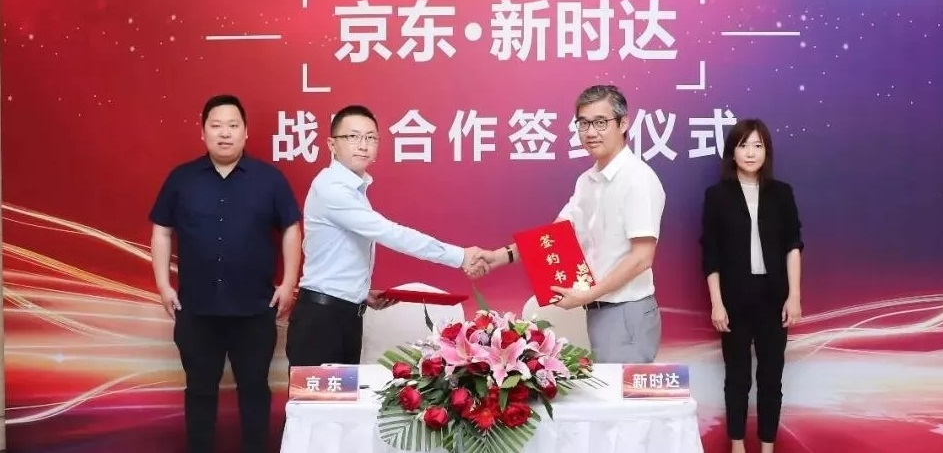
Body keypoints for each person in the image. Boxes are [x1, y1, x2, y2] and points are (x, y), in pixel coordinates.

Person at [149, 94, 302, 453]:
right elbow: (161, 231)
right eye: (216, 126)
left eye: (233, 125)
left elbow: (291, 229)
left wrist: (289, 282)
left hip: (254, 310)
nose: (224, 133)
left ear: (246, 132)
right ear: (202, 132)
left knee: (255, 391)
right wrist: (163, 284)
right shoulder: (182, 179)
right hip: (196, 310)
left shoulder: (269, 180)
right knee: (199, 391)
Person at [284, 104, 493, 367]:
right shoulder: (332, 188)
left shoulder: (353, 187)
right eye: (353, 137)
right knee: (317, 395)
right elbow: (391, 234)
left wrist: (360, 293)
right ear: (331, 144)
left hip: (344, 315)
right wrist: (460, 257)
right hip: (321, 323)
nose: (363, 145)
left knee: (343, 395)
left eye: (371, 137)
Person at [483, 84, 665, 363]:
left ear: (623, 123)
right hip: (600, 309)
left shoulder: (638, 179)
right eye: (583, 123)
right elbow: (555, 235)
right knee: (606, 388)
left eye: (600, 122)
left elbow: (642, 258)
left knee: (620, 391)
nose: (590, 132)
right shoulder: (587, 181)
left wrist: (587, 295)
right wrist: (499, 256)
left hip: (626, 312)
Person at [699, 118, 803, 453]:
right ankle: (738, 446)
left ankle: (768, 447)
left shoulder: (782, 193)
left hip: (774, 299)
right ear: (732, 151)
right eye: (743, 145)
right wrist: (717, 303)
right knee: (737, 377)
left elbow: (793, 246)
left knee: (771, 377)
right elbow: (711, 254)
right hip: (734, 301)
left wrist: (794, 296)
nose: (750, 152)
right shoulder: (717, 196)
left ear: (767, 152)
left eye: (758, 145)